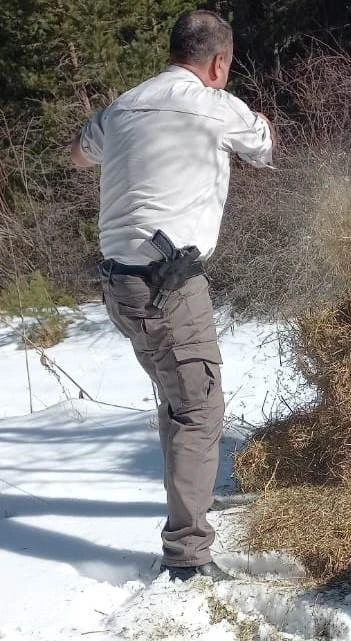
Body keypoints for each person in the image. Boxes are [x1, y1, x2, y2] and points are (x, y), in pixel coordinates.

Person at [70, 10, 275, 582]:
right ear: (217, 63)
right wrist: (248, 116)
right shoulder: (216, 106)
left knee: (177, 399)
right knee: (199, 408)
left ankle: (189, 504)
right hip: (170, 288)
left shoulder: (122, 106)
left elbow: (79, 152)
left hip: (119, 287)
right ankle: (188, 553)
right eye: (227, 67)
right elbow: (263, 144)